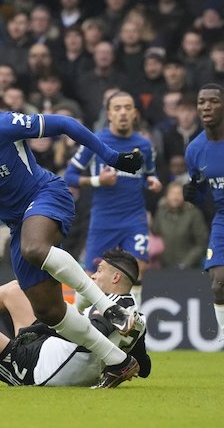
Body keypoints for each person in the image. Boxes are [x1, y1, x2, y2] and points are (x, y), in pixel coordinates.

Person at [0, 77, 144, 388]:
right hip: (17, 223)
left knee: (34, 247)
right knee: (49, 310)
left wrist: (111, 157)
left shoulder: (1, 124)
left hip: (45, 195)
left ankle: (110, 308)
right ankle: (118, 361)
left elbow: (65, 124)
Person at [0, 249, 150, 387]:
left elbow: (94, 329)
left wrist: (41, 329)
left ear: (116, 278)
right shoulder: (135, 316)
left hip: (38, 370)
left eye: (99, 271)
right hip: (49, 351)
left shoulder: (115, 309)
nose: (93, 277)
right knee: (15, 290)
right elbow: (144, 366)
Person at [64, 91, 162, 308]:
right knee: (92, 277)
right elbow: (69, 176)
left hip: (134, 217)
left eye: (128, 108)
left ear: (135, 113)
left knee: (137, 269)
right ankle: (77, 323)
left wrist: (152, 181)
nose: (123, 113)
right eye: (117, 108)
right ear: (109, 114)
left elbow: (148, 174)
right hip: (104, 219)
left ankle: (131, 325)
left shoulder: (144, 144)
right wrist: (98, 180)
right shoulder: (95, 140)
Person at [183, 83, 224, 377]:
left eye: (213, 101)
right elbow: (203, 193)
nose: (206, 107)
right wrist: (194, 197)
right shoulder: (195, 150)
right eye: (201, 102)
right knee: (220, 283)